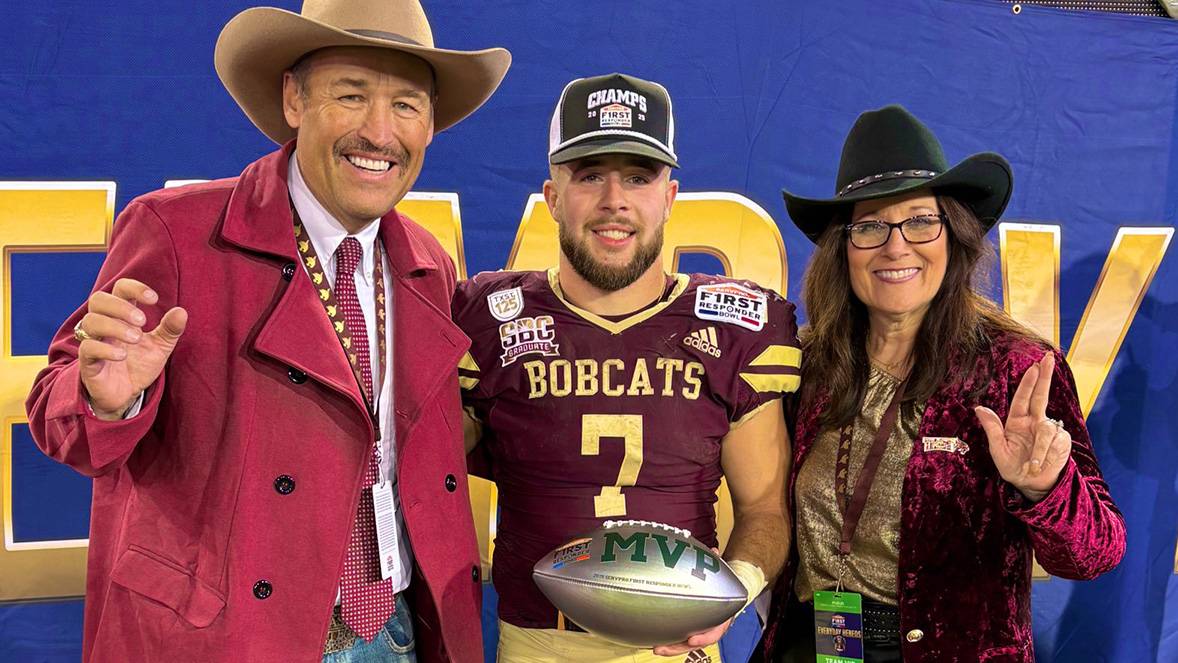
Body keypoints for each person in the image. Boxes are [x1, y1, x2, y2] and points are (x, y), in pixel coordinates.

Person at [24, 1, 510, 661]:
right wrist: (108, 400)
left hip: (394, 631)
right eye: (350, 94)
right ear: (293, 99)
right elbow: (64, 419)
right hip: (232, 638)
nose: (379, 131)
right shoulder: (175, 232)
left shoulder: (427, 263)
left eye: (406, 106)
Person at [754, 105, 1126, 662]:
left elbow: (1095, 553)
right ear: (843, 248)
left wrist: (1044, 489)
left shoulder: (1014, 368)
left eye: (921, 220)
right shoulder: (807, 364)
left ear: (954, 236)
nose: (896, 246)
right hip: (811, 644)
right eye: (871, 224)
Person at [454, 73, 798, 663]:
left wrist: (728, 593)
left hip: (677, 649)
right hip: (536, 643)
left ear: (668, 197)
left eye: (638, 177)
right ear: (553, 196)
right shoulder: (487, 318)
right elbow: (413, 478)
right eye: (590, 175)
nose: (615, 200)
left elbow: (765, 509)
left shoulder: (738, 325)